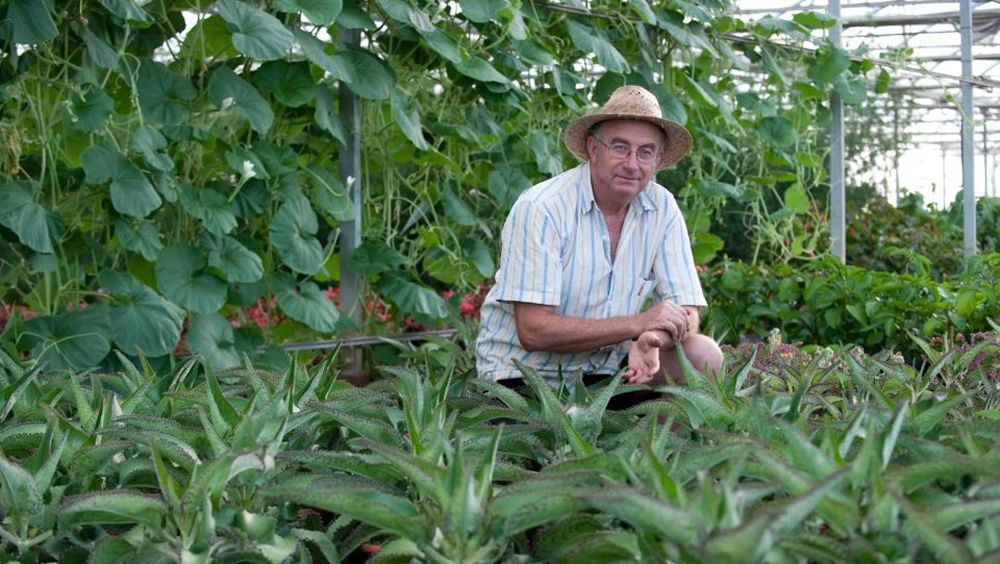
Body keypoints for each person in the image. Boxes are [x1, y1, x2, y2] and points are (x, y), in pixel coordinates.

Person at [475, 85, 723, 399]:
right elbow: (533, 331)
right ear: (593, 149)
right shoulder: (542, 208)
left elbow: (687, 311)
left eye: (646, 152)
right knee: (535, 426)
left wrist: (652, 338)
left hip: (608, 371)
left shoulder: (662, 207)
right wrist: (637, 324)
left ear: (659, 159)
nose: (632, 163)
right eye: (620, 147)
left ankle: (651, 433)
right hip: (526, 375)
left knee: (703, 355)